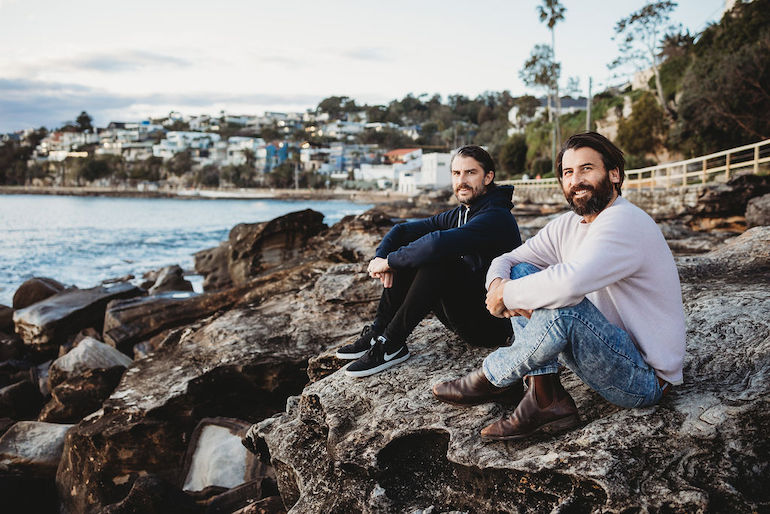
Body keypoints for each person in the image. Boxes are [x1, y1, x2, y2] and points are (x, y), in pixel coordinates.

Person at [432, 132, 686, 441]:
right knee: (525, 273)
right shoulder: (569, 225)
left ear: (614, 173)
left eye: (587, 168)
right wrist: (499, 284)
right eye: (568, 172)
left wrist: (506, 296)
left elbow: (570, 283)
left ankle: (490, 377)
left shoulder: (625, 221)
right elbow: (510, 259)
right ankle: (545, 398)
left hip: (642, 379)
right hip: (603, 349)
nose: (576, 180)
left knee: (565, 306)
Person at [338, 145, 522, 378]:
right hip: (464, 314)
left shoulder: (496, 217)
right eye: (456, 173)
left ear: (488, 177)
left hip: (493, 324)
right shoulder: (459, 214)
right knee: (413, 254)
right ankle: (378, 333)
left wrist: (391, 262)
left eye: (470, 173)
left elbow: (436, 244)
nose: (461, 180)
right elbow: (402, 230)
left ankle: (392, 345)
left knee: (436, 259)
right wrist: (381, 257)